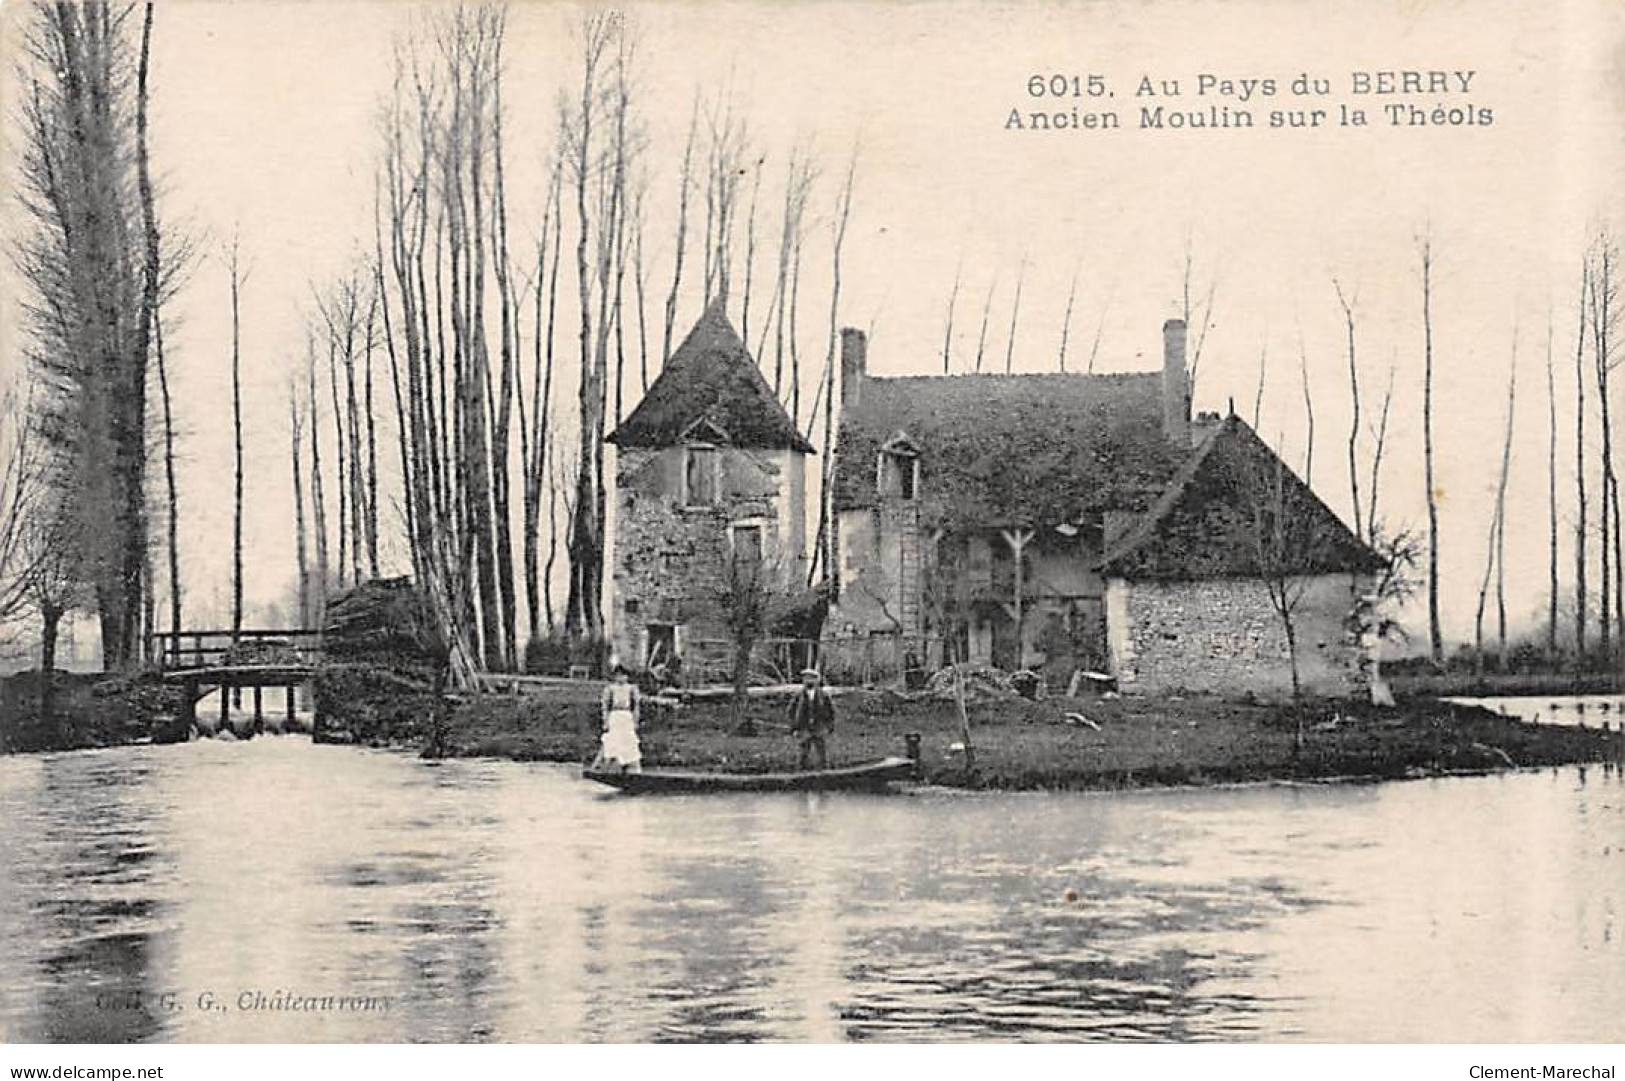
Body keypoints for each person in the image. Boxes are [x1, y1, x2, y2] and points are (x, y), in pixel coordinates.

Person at [594, 664, 642, 773]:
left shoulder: (632, 689)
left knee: (629, 740)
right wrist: (605, 721)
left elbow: (636, 706)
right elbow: (605, 706)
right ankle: (605, 767)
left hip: (626, 716)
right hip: (615, 716)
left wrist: (635, 721)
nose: (621, 678)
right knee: (612, 740)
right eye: (619, 675)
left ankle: (633, 768)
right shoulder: (610, 688)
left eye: (623, 675)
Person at [786, 667, 836, 770]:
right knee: (802, 754)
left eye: (811, 678)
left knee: (821, 753)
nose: (808, 681)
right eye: (806, 678)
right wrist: (793, 728)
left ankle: (824, 774)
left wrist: (829, 726)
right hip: (804, 728)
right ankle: (801, 775)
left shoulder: (823, 696)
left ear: (816, 680)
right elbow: (791, 712)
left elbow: (831, 712)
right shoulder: (798, 696)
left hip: (819, 727)